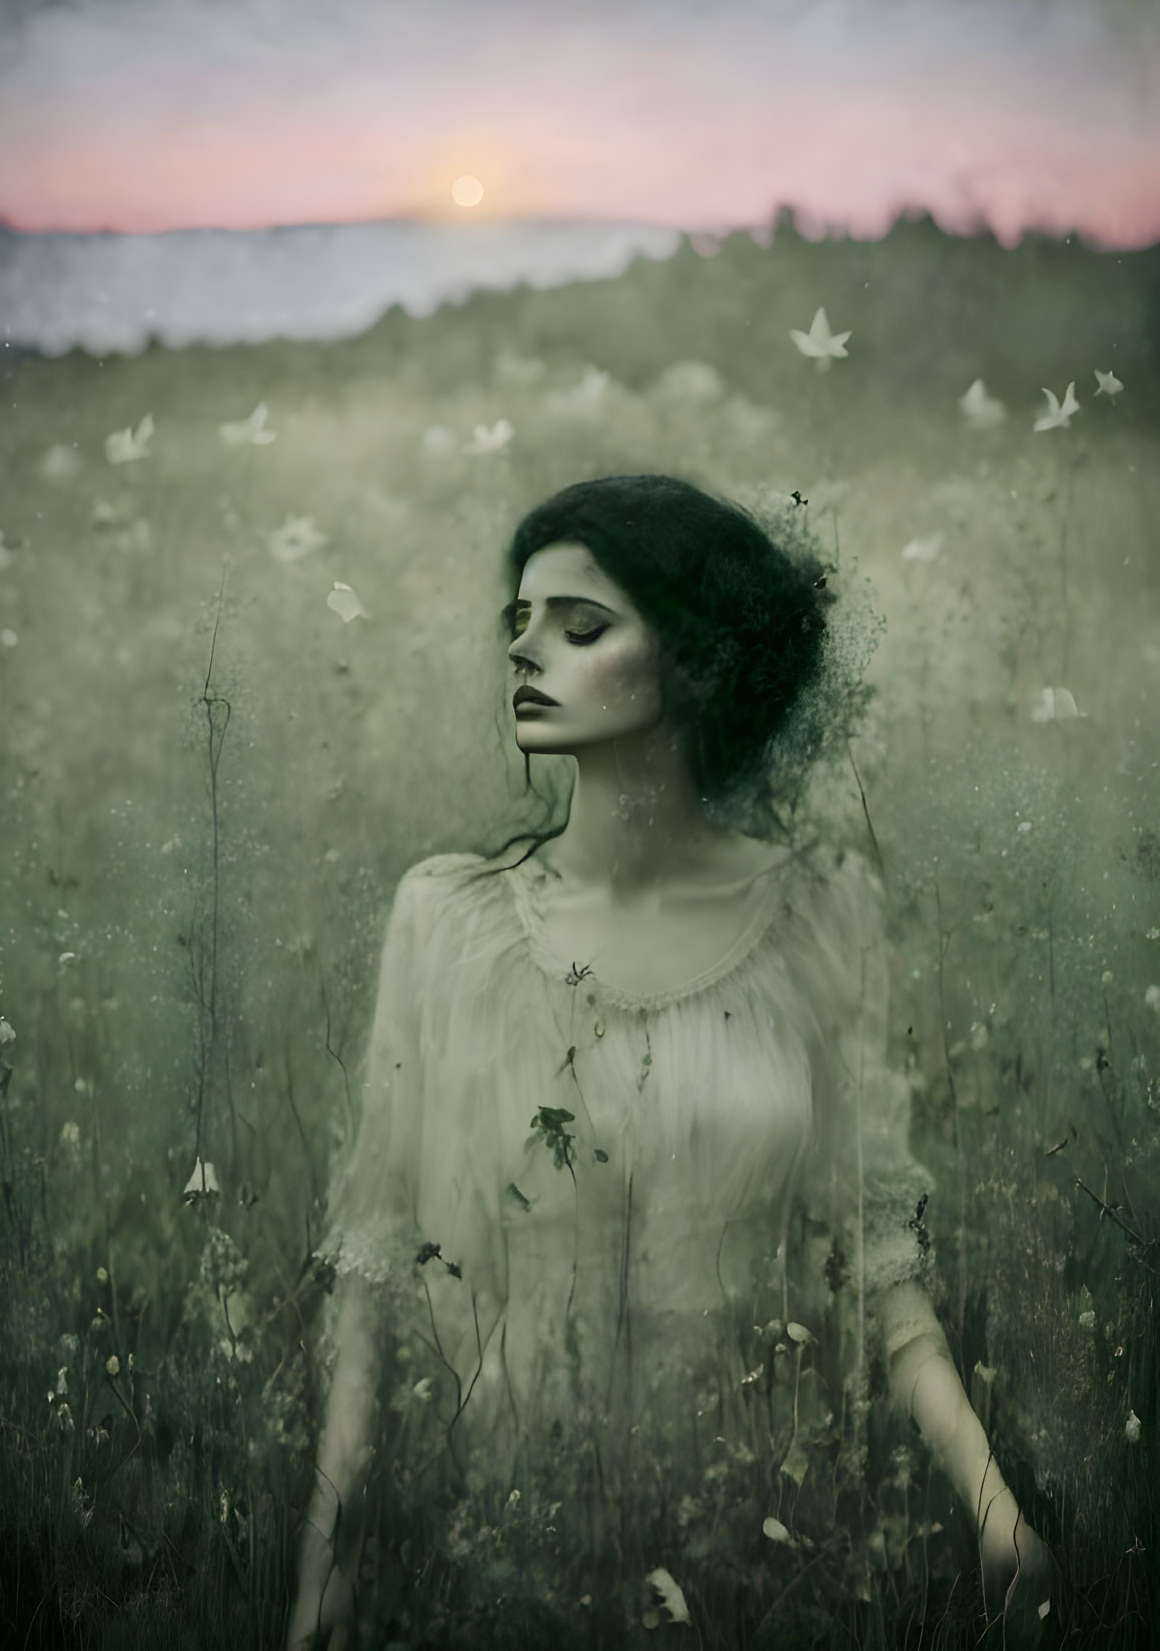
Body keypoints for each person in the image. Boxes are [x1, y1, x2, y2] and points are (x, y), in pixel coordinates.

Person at [287, 475, 1052, 1649]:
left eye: (580, 626)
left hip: (764, 1563)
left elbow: (875, 1256)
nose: (525, 650)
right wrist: (326, 1561)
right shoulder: (445, 919)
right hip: (498, 1565)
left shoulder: (816, 910)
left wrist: (992, 1500)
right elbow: (373, 1270)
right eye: (519, 622)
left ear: (695, 661)